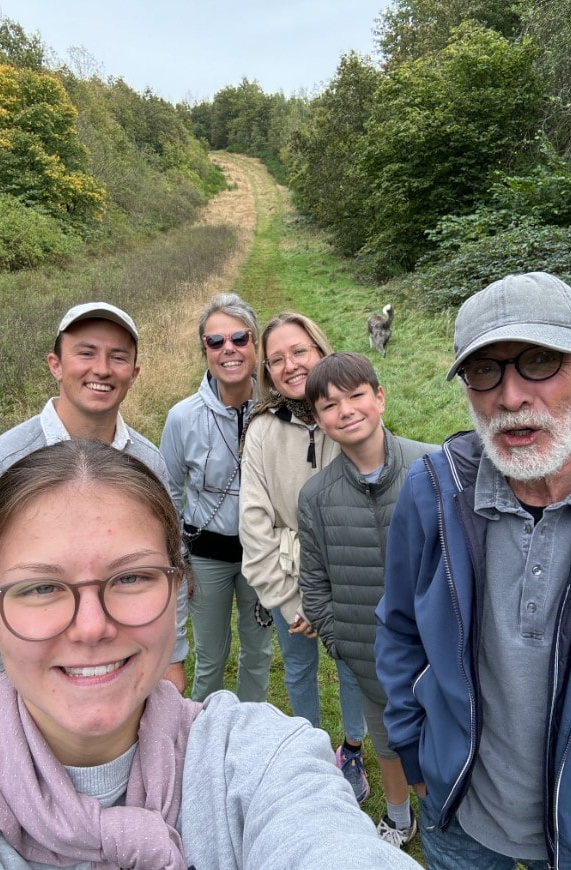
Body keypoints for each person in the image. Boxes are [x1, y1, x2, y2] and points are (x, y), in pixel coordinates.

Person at [0, 439, 423, 870]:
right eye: (42, 587)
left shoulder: (259, 763)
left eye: (131, 577)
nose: (91, 627)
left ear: (177, 590)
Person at [375, 271, 571, 869]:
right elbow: (398, 629)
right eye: (484, 371)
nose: (511, 396)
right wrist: (414, 750)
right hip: (463, 817)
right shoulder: (433, 490)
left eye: (540, 361)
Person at [0, 301, 188, 692]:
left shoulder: (150, 462)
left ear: (134, 373)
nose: (101, 368)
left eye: (118, 357)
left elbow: (169, 566)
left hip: (122, 668)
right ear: (55, 364)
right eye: (86, 352)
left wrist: (173, 655)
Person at [298, 352, 434, 847]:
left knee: (449, 732)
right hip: (370, 654)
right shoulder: (315, 496)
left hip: (441, 649)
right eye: (330, 405)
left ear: (379, 397)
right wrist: (344, 644)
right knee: (389, 741)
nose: (346, 410)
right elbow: (314, 582)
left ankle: (450, 810)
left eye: (357, 395)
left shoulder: (434, 466)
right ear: (319, 420)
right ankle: (400, 816)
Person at [239, 312, 370, 804]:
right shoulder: (261, 431)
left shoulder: (347, 414)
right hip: (286, 577)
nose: (290, 365)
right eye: (276, 359)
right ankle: (309, 751)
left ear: (319, 349)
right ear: (266, 372)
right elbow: (253, 522)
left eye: (299, 352)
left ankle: (353, 747)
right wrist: (289, 600)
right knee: (297, 668)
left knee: (354, 666)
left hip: (349, 573)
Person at [160, 293, 272, 702]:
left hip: (262, 555)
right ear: (204, 351)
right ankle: (205, 734)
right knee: (210, 654)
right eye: (215, 342)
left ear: (255, 345)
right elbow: (168, 493)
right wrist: (178, 560)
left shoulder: (277, 409)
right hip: (205, 556)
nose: (229, 349)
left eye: (240, 338)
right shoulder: (183, 417)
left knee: (258, 651)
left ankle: (252, 735)